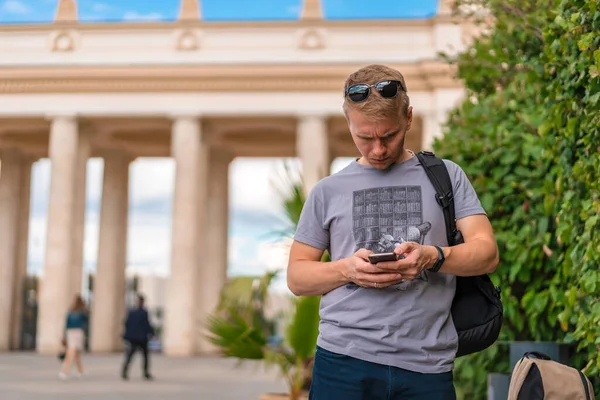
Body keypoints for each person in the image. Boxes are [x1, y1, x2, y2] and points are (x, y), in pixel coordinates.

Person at [287, 64, 499, 400]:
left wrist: (434, 256)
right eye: (364, 137)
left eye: (389, 135)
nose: (378, 149)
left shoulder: (447, 176)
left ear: (409, 117)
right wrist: (346, 269)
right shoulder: (327, 191)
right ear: (349, 123)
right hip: (342, 362)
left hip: (427, 366)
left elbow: (487, 253)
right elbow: (297, 277)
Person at [121, 294, 155, 381]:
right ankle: (145, 373)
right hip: (142, 338)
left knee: (130, 355)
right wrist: (152, 333)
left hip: (134, 337)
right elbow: (147, 324)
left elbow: (126, 323)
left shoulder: (131, 312)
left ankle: (124, 372)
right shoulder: (144, 312)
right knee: (145, 356)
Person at [59, 294, 88, 380]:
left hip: (70, 332)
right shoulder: (82, 312)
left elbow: (66, 324)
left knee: (76, 352)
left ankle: (80, 371)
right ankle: (64, 371)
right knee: (71, 352)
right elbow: (86, 321)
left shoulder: (70, 311)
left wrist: (64, 335)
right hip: (78, 332)